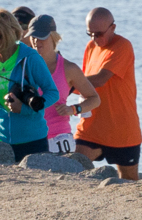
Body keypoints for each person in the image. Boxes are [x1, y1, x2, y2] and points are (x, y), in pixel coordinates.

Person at [0, 8, 60, 160]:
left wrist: (24, 109)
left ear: (10, 34)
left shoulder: (30, 58)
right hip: (0, 140)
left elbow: (52, 93)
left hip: (33, 141)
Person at [76, 8, 142, 179]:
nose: (94, 39)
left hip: (121, 130)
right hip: (90, 128)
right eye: (89, 33)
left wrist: (68, 82)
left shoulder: (122, 46)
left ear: (113, 28)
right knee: (74, 169)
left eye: (98, 34)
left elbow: (100, 79)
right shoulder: (91, 46)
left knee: (129, 184)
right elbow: (85, 82)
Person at [30, 14, 99, 156]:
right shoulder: (24, 66)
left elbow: (94, 99)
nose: (36, 41)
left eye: (41, 36)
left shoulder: (69, 69)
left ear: (54, 37)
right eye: (33, 36)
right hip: (30, 135)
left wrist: (74, 109)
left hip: (59, 136)